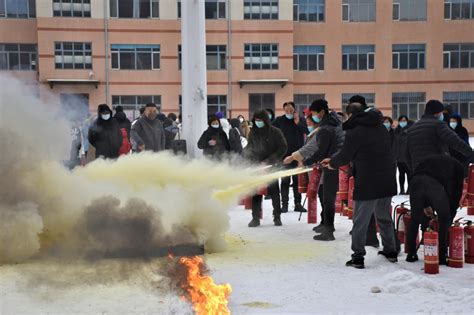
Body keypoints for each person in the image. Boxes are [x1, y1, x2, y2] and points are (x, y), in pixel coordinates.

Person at [321, 101, 398, 269]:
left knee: (360, 221)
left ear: (349, 115)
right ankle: (391, 250)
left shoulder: (355, 132)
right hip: (387, 179)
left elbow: (346, 155)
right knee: (384, 216)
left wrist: (332, 163)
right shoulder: (381, 128)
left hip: (368, 181)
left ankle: (358, 256)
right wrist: (335, 160)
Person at [284, 98, 344, 241]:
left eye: (315, 113)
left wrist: (305, 161)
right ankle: (326, 225)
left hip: (329, 165)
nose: (313, 117)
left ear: (322, 112)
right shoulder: (333, 124)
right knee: (325, 197)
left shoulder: (326, 128)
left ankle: (328, 230)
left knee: (328, 199)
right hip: (331, 163)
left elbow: (320, 151)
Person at [406, 155, 465, 265]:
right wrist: (449, 214)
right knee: (444, 218)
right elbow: (455, 194)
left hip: (415, 181)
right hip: (433, 184)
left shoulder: (436, 158)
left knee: (415, 218)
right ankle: (442, 255)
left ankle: (411, 253)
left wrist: (426, 205)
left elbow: (421, 177)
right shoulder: (459, 168)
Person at [245, 109, 288, 227]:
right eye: (256, 120)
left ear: (266, 120)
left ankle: (277, 217)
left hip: (271, 166)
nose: (258, 122)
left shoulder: (275, 132)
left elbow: (283, 147)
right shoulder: (253, 132)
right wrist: (245, 157)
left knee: (274, 192)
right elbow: (250, 147)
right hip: (257, 167)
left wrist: (269, 161)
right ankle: (255, 218)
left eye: (260, 120)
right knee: (256, 193)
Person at [406, 100, 472, 172]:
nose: (442, 115)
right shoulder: (438, 124)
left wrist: (414, 169)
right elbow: (454, 141)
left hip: (419, 171)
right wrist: (470, 153)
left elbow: (406, 154)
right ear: (437, 113)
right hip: (436, 170)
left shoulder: (412, 129)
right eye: (442, 112)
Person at [273, 101, 307, 213]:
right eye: (286, 110)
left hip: (298, 155)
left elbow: (307, 131)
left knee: (297, 181)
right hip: (284, 155)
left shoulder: (300, 120)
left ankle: (298, 204)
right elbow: (271, 130)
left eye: (291, 110)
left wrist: (297, 123)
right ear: (284, 110)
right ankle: (285, 204)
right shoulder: (279, 120)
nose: (289, 112)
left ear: (294, 110)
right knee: (285, 180)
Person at [394, 115, 413, 195]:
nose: (403, 122)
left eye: (404, 120)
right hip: (399, 157)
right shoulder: (396, 131)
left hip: (408, 157)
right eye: (401, 120)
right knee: (401, 174)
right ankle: (401, 189)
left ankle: (409, 189)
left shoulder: (410, 130)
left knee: (409, 174)